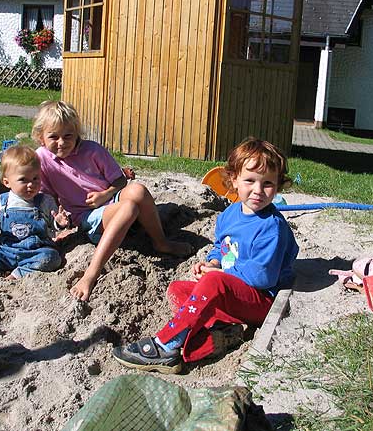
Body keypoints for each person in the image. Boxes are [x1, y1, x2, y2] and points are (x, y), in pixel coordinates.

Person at [112, 137, 299, 374]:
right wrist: (213, 261)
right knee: (178, 289)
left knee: (213, 282)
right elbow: (223, 245)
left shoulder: (271, 228)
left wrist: (221, 273)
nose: (258, 191)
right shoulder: (230, 214)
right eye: (250, 181)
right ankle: (221, 332)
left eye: (268, 184)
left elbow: (263, 277)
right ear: (234, 180)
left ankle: (166, 345)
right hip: (233, 295)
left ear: (278, 185)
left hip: (261, 301)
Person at [32, 100, 192, 301]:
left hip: (109, 199)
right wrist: (58, 220)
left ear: (77, 134)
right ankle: (91, 274)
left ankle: (161, 242)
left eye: (68, 136)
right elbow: (47, 197)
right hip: (87, 216)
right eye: (53, 137)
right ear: (41, 138)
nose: (62, 142)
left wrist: (105, 195)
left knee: (138, 191)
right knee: (129, 208)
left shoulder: (92, 150)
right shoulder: (42, 159)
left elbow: (119, 180)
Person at [0, 145, 70, 294]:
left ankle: (15, 275)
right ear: (7, 182)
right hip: (6, 248)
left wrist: (59, 223)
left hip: (34, 250)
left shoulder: (45, 201)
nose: (31, 184)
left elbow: (51, 227)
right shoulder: (1, 202)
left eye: (36, 178)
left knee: (51, 258)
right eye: (23, 180)